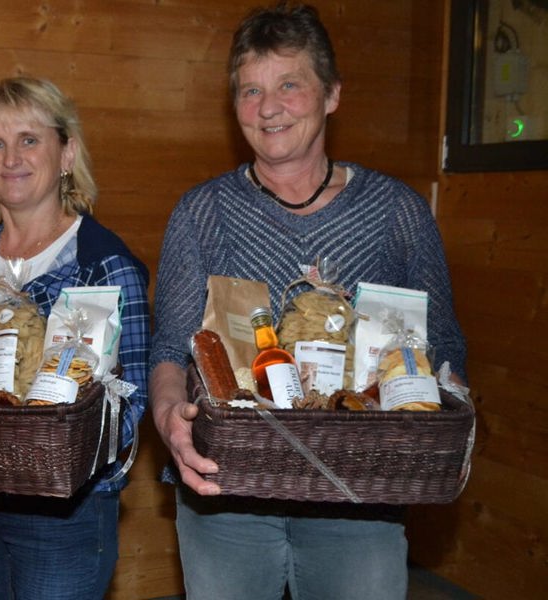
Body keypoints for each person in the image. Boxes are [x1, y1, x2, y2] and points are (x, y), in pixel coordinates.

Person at [149, 3, 467, 600]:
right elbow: (170, 347)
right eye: (250, 90)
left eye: (289, 84)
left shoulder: (396, 214)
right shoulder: (201, 214)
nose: (268, 107)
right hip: (228, 496)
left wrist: (438, 428)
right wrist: (170, 418)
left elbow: (444, 348)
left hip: (360, 499)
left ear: (332, 95)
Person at [0, 76, 151, 599]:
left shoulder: (104, 263)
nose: (11, 158)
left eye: (29, 139)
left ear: (66, 153)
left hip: (63, 512)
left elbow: (133, 401)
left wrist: (52, 444)